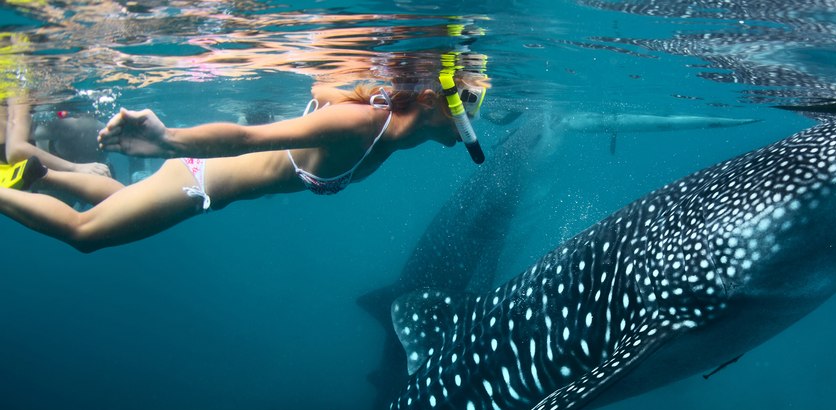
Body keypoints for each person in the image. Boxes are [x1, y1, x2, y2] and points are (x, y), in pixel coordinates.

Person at [0, 73, 489, 253]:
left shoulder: (380, 124)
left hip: (203, 189)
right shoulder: (362, 127)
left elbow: (320, 87)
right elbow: (246, 137)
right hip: (197, 180)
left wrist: (341, 90)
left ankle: (40, 173)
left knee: (119, 199)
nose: (474, 118)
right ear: (430, 100)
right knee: (85, 235)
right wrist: (166, 138)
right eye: (471, 104)